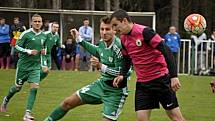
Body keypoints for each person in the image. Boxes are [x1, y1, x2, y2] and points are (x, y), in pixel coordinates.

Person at [44, 16, 129, 121]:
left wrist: (100, 66)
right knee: (67, 103)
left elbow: (124, 72)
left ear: (114, 30)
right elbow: (97, 51)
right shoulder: (102, 42)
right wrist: (79, 39)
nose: (104, 32)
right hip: (101, 85)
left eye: (107, 29)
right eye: (102, 29)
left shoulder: (119, 47)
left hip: (116, 92)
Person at [110, 9, 186, 121]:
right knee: (141, 119)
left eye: (115, 25)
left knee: (176, 118)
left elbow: (167, 51)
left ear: (124, 21)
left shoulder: (145, 32)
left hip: (161, 80)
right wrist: (122, 74)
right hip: (143, 84)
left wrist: (174, 76)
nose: (114, 29)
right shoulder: (123, 39)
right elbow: (126, 59)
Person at [0, 14, 46, 121]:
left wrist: (43, 56)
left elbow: (44, 50)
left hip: (35, 67)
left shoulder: (44, 36)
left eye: (39, 21)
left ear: (42, 23)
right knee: (17, 88)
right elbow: (16, 47)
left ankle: (27, 114)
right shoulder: (26, 34)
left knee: (34, 88)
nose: (37, 23)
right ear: (31, 23)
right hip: (23, 67)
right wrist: (28, 51)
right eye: (35, 21)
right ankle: (6, 100)